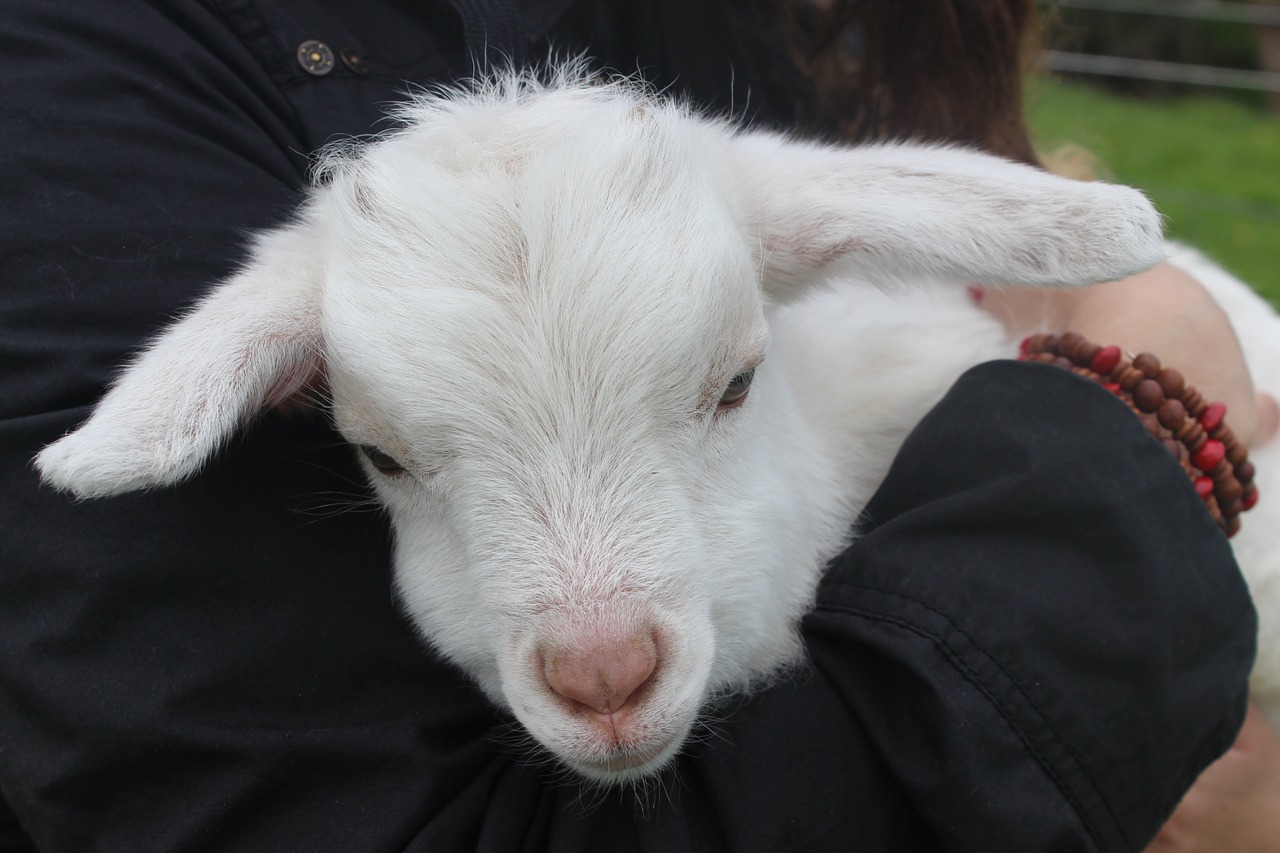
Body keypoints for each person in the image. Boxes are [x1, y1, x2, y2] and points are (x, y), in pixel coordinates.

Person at [0, 0, 1260, 850]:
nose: (601, 659)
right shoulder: (81, 87)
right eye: (389, 446)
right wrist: (1152, 413)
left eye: (716, 385)